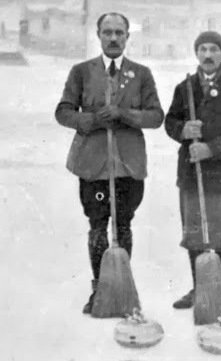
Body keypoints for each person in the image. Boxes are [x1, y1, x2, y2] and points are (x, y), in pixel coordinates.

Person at [55, 12, 163, 314]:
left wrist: (125, 114)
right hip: (93, 165)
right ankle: (100, 288)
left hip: (128, 165)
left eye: (119, 33)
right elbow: (63, 112)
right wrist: (88, 120)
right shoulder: (82, 72)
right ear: (99, 36)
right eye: (107, 32)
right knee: (98, 226)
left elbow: (156, 116)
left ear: (128, 37)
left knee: (124, 225)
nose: (113, 38)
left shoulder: (141, 74)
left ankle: (122, 288)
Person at [165, 31, 221, 309]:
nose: (208, 55)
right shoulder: (186, 88)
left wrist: (212, 148)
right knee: (195, 235)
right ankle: (198, 288)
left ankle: (218, 290)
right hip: (192, 174)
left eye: (214, 49)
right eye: (202, 49)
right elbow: (170, 120)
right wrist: (182, 130)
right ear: (196, 54)